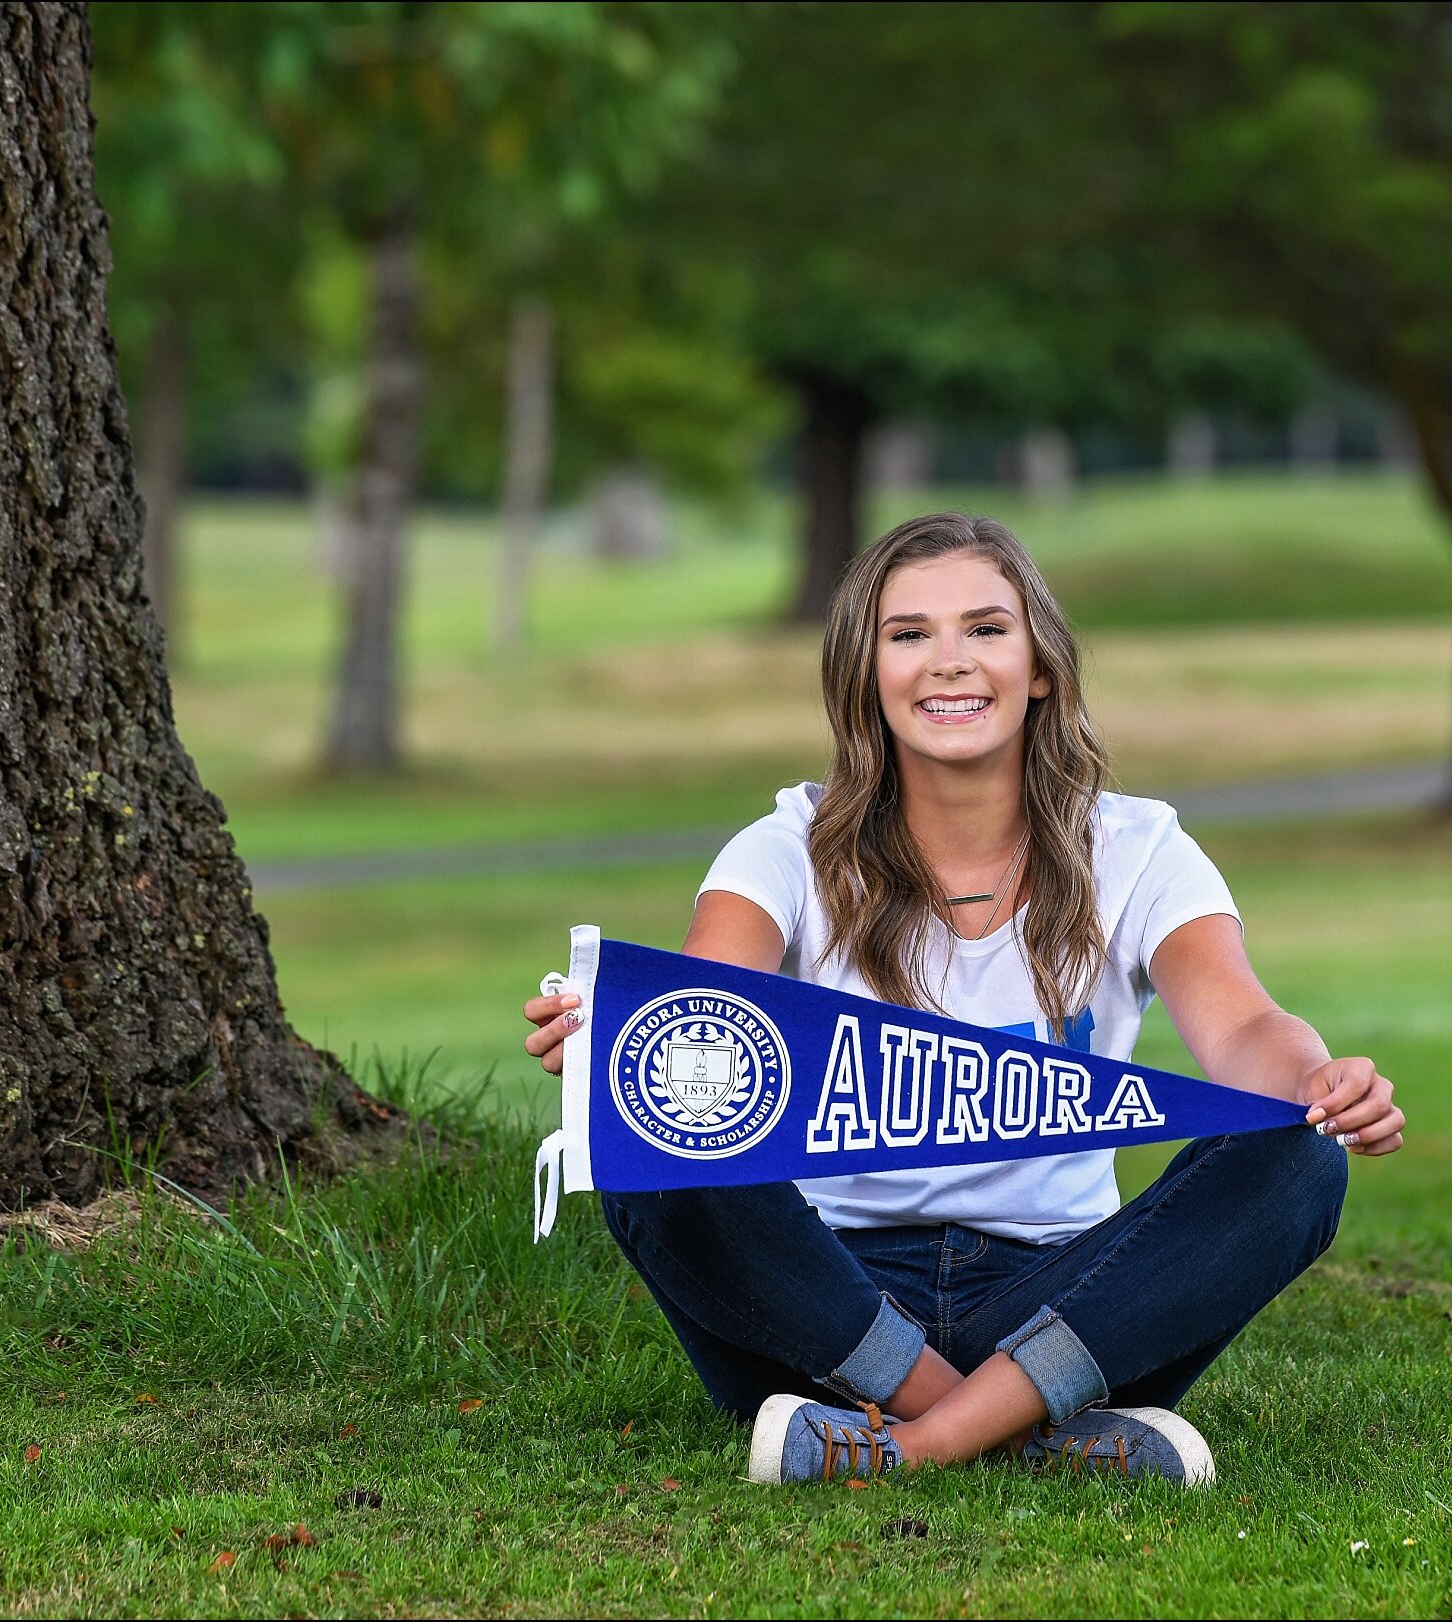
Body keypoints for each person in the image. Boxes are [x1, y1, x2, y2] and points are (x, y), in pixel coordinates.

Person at [522, 512, 1404, 1487]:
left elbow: (1242, 1023)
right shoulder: (782, 849)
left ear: (1039, 669)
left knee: (1300, 1156)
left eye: (985, 629)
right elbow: (708, 1002)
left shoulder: (1140, 847)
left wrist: (1320, 1077)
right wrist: (624, 1046)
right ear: (868, 674)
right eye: (909, 634)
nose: (949, 661)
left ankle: (907, 1443)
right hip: (822, 1292)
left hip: (1064, 1292)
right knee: (657, 1139)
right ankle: (1025, 1427)